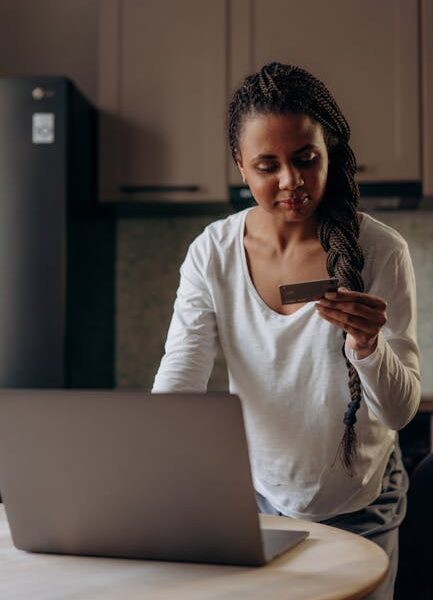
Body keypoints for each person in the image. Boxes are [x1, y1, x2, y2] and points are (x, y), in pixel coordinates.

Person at [152, 62, 421, 599]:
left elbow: (399, 411)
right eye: (267, 165)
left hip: (361, 504)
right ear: (239, 165)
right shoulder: (213, 252)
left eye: (305, 160)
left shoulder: (382, 250)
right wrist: (147, 458)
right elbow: (181, 376)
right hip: (257, 505)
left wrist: (367, 346)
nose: (291, 182)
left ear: (330, 153)